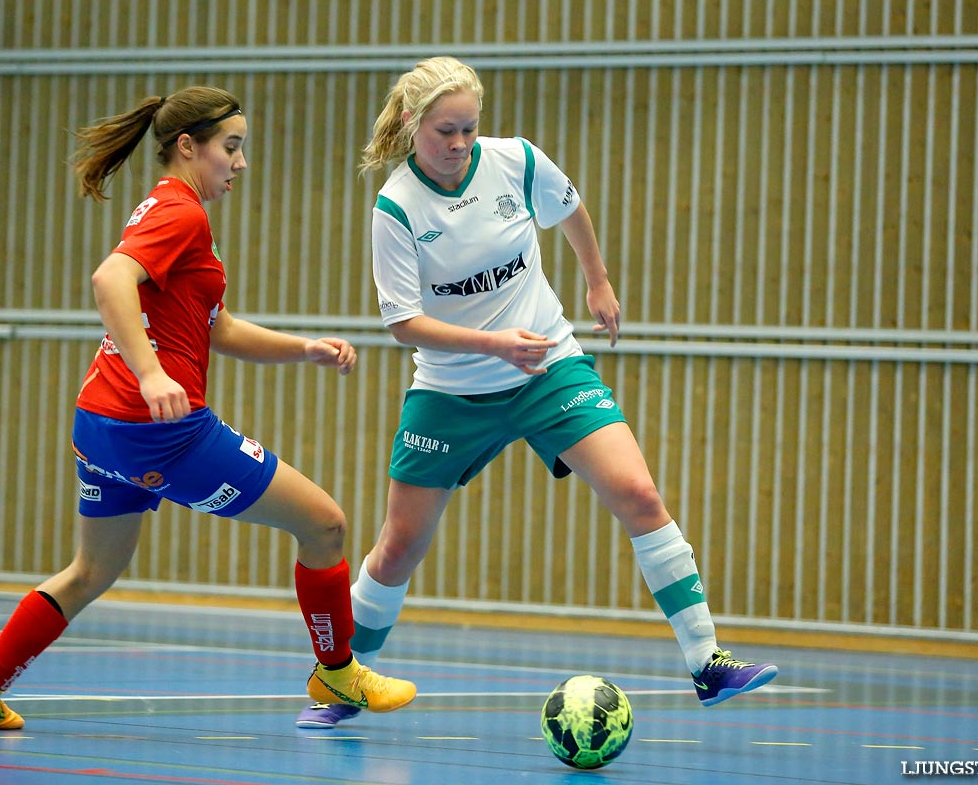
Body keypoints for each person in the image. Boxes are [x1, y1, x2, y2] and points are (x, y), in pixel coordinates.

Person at [297, 57, 777, 729]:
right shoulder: (397, 207)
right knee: (399, 546)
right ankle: (341, 682)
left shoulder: (516, 162)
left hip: (548, 370)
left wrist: (598, 282)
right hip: (451, 391)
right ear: (411, 123)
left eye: (469, 128)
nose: (459, 143)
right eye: (444, 131)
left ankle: (707, 661)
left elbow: (569, 209)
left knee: (639, 495)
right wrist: (494, 344)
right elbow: (405, 322)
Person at [0, 86, 416, 731]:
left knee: (91, 570)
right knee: (325, 525)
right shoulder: (179, 212)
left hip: (101, 425)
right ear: (187, 147)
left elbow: (217, 329)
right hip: (157, 431)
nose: (241, 162)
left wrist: (303, 349)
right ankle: (337, 673)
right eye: (231, 147)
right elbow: (110, 280)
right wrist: (151, 373)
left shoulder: (174, 215)